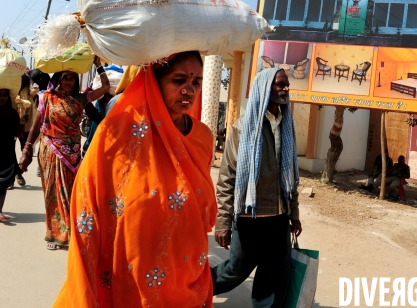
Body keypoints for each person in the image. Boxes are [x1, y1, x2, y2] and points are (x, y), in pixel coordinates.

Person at [52, 51, 216, 307]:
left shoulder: (203, 138)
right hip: (130, 279)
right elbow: (88, 202)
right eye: (179, 80)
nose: (188, 90)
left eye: (195, 82)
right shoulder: (117, 135)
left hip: (186, 276)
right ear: (154, 81)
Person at [212, 68, 301, 308]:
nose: (285, 89)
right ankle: (193, 289)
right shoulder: (243, 128)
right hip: (249, 217)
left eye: (286, 85)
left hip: (279, 218)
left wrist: (294, 214)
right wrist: (223, 221)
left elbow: (291, 176)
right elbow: (228, 176)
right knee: (234, 271)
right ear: (264, 87)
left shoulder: (286, 126)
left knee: (274, 276)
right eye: (280, 85)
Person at [19, 57, 110, 251]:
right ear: (58, 79)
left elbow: (106, 86)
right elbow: (36, 126)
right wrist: (27, 149)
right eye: (64, 77)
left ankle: (73, 231)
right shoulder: (47, 98)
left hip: (74, 153)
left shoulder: (80, 99)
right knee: (53, 192)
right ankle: (54, 233)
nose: (68, 81)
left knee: (73, 192)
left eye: (72, 77)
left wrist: (98, 65)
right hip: (51, 150)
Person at [0, 89, 25, 221]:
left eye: (5, 95)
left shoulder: (12, 113)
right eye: (0, 95)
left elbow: (17, 133)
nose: (2, 98)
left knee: (3, 185)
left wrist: (21, 124)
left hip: (6, 154)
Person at [14, 73, 37, 186]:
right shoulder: (12, 89)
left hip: (26, 125)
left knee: (28, 154)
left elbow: (36, 88)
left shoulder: (29, 90)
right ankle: (12, 177)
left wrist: (28, 75)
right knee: (9, 152)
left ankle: (19, 172)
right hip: (13, 124)